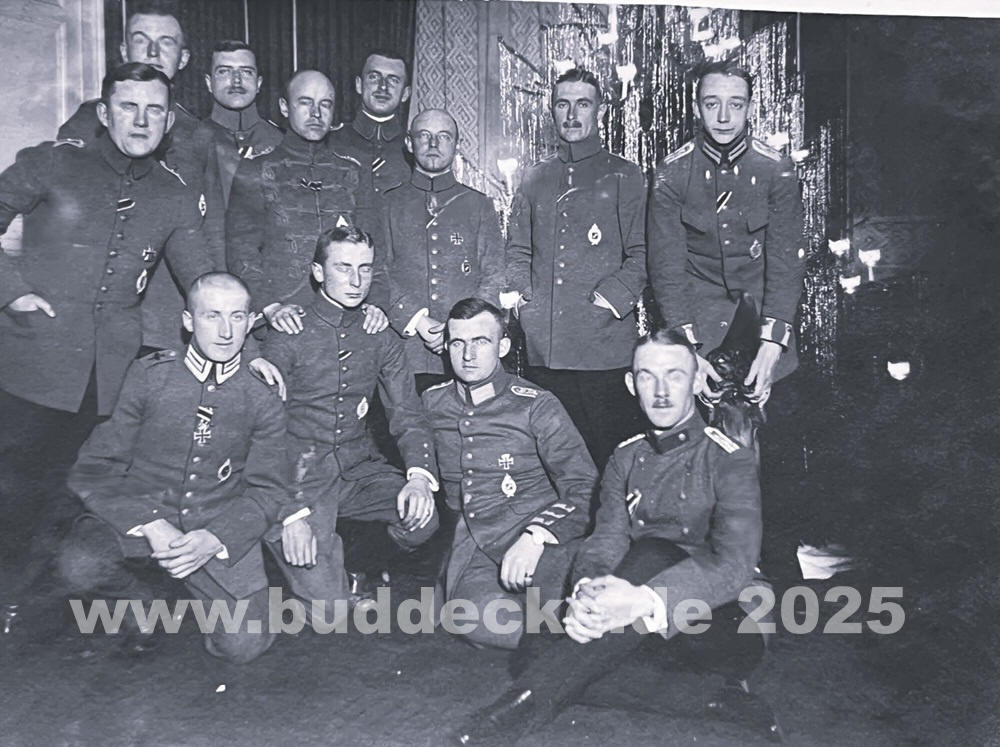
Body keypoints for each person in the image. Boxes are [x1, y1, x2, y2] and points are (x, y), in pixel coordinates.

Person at [452, 328, 768, 744]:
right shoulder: (625, 457)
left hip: (721, 620)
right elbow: (606, 540)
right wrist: (589, 589)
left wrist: (643, 599)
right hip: (633, 623)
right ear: (631, 384)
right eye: (647, 376)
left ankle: (516, 710)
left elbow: (734, 564)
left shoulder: (729, 459)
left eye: (674, 375)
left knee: (654, 552)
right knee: (534, 653)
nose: (660, 391)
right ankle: (712, 699)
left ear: (696, 382)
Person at [57, 273, 308, 663]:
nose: (226, 331)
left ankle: (207, 596)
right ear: (188, 321)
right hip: (143, 512)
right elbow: (93, 467)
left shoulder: (262, 396)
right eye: (212, 316)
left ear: (250, 322)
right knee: (79, 564)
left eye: (237, 317)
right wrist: (150, 523)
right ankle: (140, 603)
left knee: (243, 647)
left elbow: (269, 488)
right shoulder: (150, 376)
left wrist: (215, 538)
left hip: (215, 524)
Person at [261, 227, 439, 603]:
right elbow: (262, 434)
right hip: (301, 478)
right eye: (343, 268)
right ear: (318, 272)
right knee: (330, 615)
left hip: (358, 470)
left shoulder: (379, 333)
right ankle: (295, 558)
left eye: (365, 268)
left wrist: (420, 478)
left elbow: (408, 414)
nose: (357, 281)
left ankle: (353, 564)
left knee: (422, 517)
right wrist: (290, 513)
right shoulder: (289, 331)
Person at [421, 299, 597, 650]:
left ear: (502, 347)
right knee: (474, 618)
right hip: (477, 547)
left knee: (578, 601)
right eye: (457, 343)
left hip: (544, 544)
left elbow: (585, 487)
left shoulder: (535, 404)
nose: (468, 355)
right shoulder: (431, 402)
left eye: (480, 341)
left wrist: (537, 535)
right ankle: (559, 647)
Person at [504, 67, 646, 468]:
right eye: (562, 104)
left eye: (582, 104)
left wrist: (606, 301)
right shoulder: (535, 177)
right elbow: (517, 250)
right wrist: (525, 303)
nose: (571, 114)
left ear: (599, 110)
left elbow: (642, 253)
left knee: (609, 461)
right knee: (555, 462)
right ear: (551, 110)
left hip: (604, 348)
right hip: (545, 350)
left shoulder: (624, 174)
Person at [647, 60, 806, 405]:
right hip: (700, 337)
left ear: (749, 107)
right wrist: (687, 349)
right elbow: (666, 270)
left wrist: (774, 342)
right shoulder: (672, 173)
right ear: (696, 108)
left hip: (765, 331)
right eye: (711, 103)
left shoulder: (776, 169)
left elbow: (786, 264)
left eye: (735, 104)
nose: (723, 117)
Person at [226, 70, 387, 334]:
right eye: (305, 102)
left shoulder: (353, 172)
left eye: (325, 104)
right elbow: (241, 251)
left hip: (346, 322)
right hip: (281, 321)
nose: (316, 113)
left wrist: (376, 304)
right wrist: (270, 307)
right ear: (284, 107)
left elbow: (376, 248)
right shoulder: (256, 169)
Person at [383, 109, 505, 390]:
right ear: (409, 143)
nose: (433, 144)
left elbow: (494, 275)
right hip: (404, 351)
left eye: (444, 137)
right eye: (424, 136)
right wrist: (416, 319)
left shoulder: (479, 205)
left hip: (467, 353)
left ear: (457, 145)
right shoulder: (388, 205)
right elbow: (378, 272)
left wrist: (462, 330)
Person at [57, 0, 198, 171]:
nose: (153, 52)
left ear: (183, 59)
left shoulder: (197, 132)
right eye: (141, 41)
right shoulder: (91, 118)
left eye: (166, 42)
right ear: (124, 52)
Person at [194, 39, 283, 208]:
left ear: (258, 83)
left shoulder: (280, 141)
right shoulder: (190, 141)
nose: (236, 81)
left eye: (246, 72)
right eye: (224, 72)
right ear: (209, 83)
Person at [330, 50, 412, 199]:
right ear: (359, 85)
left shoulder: (414, 149)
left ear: (405, 94)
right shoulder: (331, 141)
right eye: (374, 77)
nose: (383, 87)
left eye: (393, 80)